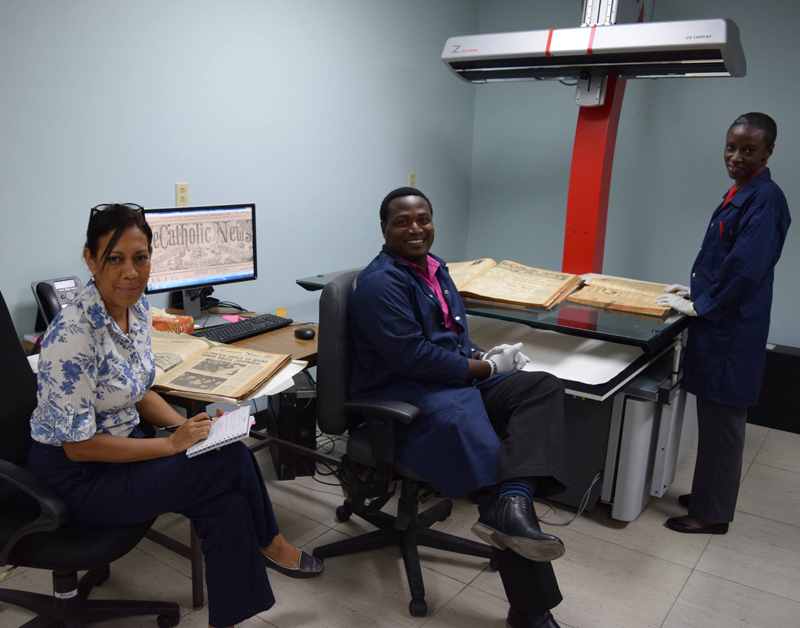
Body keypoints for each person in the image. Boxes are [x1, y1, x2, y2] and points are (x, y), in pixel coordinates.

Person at [26, 204, 323, 628]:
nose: (131, 272)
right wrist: (168, 444)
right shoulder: (71, 335)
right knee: (230, 458)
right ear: (90, 260)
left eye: (140, 258)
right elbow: (78, 447)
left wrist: (179, 426)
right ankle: (272, 542)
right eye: (115, 259)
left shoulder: (138, 309)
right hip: (76, 479)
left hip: (123, 450)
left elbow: (139, 390)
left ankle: (232, 616)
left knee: (226, 503)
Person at [348, 187, 568, 628]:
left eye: (423, 219)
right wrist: (484, 370)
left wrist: (486, 354)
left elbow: (449, 335)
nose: (416, 229)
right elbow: (413, 358)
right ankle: (531, 611)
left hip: (450, 384)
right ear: (384, 228)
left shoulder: (433, 267)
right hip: (406, 397)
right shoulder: (379, 284)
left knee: (540, 387)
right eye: (403, 221)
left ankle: (515, 502)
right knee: (487, 459)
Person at [655, 113, 791, 535]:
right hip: (721, 320)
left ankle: (711, 515)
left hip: (733, 329)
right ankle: (709, 495)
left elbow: (746, 267)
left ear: (768, 151)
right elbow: (725, 256)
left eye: (748, 150)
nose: (736, 156)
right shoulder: (742, 191)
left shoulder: (766, 199)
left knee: (724, 424)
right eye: (731, 147)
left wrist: (705, 304)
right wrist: (693, 294)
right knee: (713, 421)